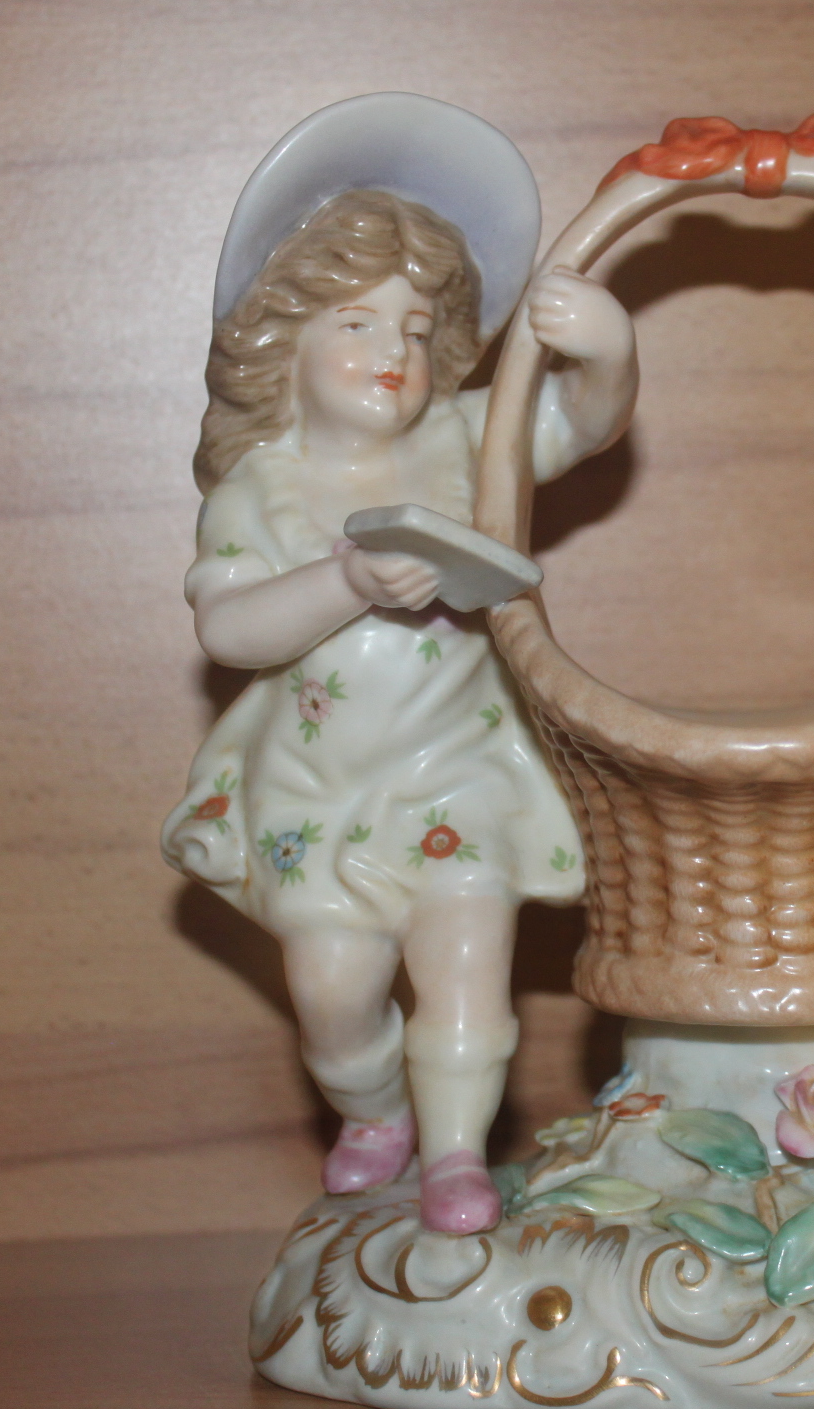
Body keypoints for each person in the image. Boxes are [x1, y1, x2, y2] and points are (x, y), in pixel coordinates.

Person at [162, 102, 637, 1235]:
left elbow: (579, 422)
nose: (397, 355)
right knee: (333, 993)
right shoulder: (262, 485)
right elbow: (229, 629)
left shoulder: (465, 437)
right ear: (284, 338)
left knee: (469, 963)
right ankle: (373, 1109)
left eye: (419, 331)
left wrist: (611, 349)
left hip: (455, 773)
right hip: (317, 788)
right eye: (359, 323)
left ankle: (459, 1154)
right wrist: (348, 582)